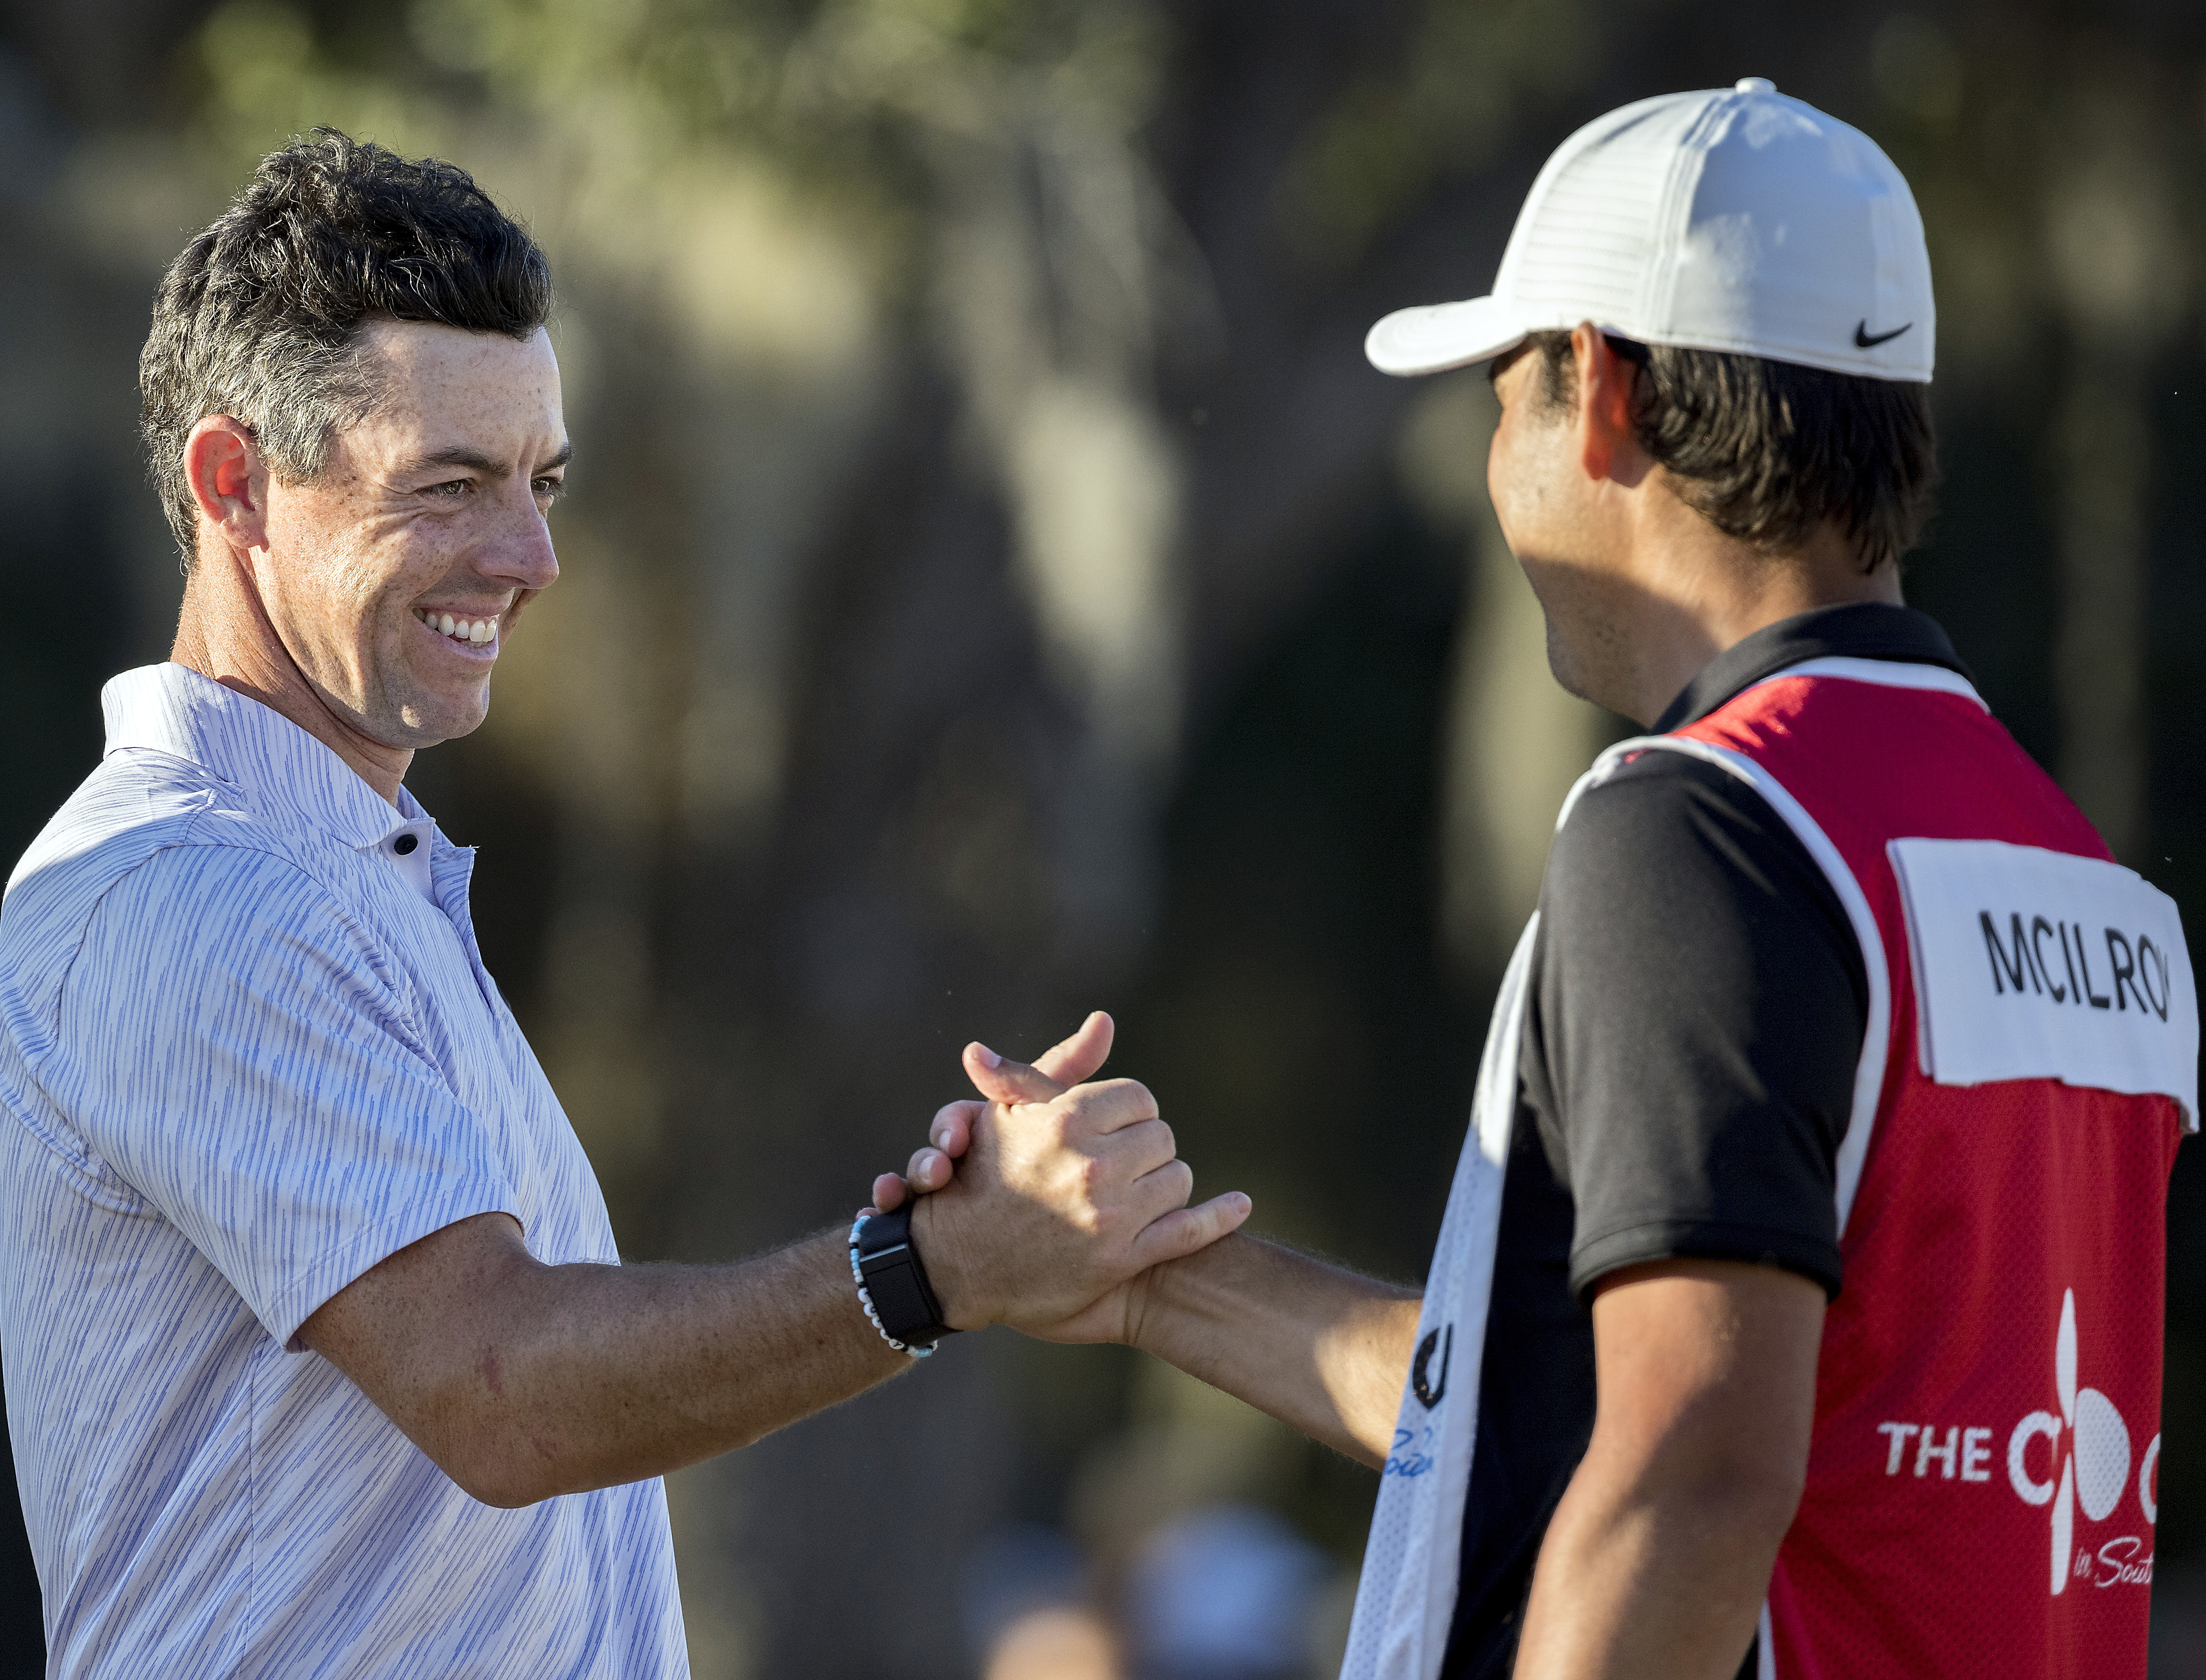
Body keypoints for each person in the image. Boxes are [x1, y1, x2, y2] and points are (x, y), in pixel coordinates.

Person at [888, 78, 2195, 1679]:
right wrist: (1158, 1291)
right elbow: (1593, 1422)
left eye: (1499, 394)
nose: (1498, 458)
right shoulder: (2081, 878)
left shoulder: (1711, 820)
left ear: (1601, 393)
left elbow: (1692, 1476)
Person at [0, 130, 1249, 1678]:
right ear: (237, 484)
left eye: (542, 482)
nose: (532, 556)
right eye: (453, 485)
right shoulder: (188, 890)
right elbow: (506, 1390)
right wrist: (932, 1270)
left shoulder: (326, 872)